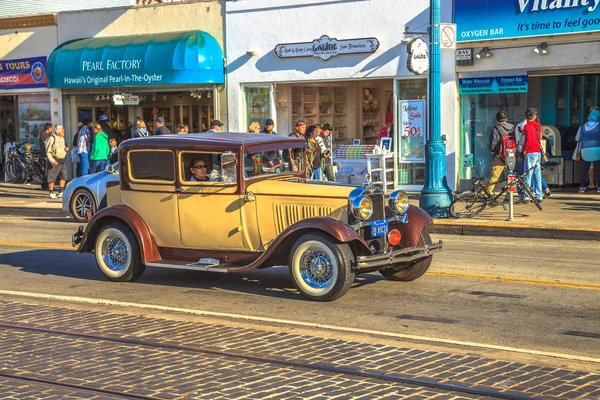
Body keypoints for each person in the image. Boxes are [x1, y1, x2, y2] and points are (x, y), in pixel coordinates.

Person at [485, 111, 514, 197]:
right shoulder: (512, 128)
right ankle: (509, 197)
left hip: (500, 157)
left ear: (497, 120)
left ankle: (488, 195)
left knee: (494, 177)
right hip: (511, 156)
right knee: (511, 177)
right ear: (506, 119)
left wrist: (495, 154)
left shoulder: (496, 128)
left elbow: (492, 143)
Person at [574, 108, 600, 193]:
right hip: (596, 149)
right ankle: (599, 187)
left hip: (585, 149)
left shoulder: (582, 126)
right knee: (598, 169)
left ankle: (582, 187)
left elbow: (577, 138)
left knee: (584, 169)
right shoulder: (599, 125)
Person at [521, 108, 543, 202]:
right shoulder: (538, 125)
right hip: (538, 151)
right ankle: (539, 195)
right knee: (537, 174)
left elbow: (528, 139)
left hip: (530, 151)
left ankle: (526, 196)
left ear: (526, 116)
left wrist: (524, 150)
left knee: (527, 174)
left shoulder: (527, 126)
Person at [45, 125, 68, 199]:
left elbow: (62, 147)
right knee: (52, 176)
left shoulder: (62, 138)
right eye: (62, 131)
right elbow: (48, 151)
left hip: (62, 159)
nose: (64, 132)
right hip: (55, 159)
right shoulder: (52, 138)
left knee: (64, 176)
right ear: (58, 131)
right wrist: (52, 161)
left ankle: (61, 191)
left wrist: (65, 149)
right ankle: (51, 192)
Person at [39, 122, 53, 189]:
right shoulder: (43, 134)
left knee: (48, 169)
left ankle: (47, 184)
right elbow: (44, 144)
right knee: (45, 170)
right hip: (45, 154)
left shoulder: (49, 134)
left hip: (48, 154)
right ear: (49, 128)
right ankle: (45, 184)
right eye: (51, 128)